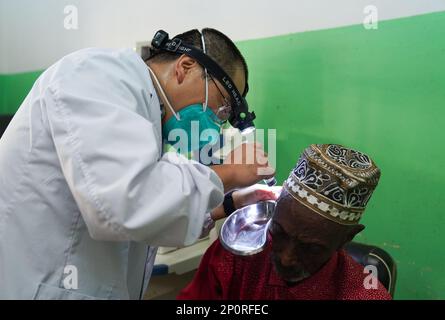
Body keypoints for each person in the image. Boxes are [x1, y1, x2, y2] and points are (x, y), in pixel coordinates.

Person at [0, 28, 275, 299]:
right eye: (222, 106)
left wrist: (229, 204)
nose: (216, 122)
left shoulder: (145, 116)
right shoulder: (97, 74)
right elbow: (126, 202)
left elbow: (149, 212)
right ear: (185, 67)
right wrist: (230, 172)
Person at [178, 144, 392, 300]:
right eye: (278, 232)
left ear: (346, 239)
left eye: (311, 248)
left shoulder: (364, 294)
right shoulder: (236, 256)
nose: (287, 259)